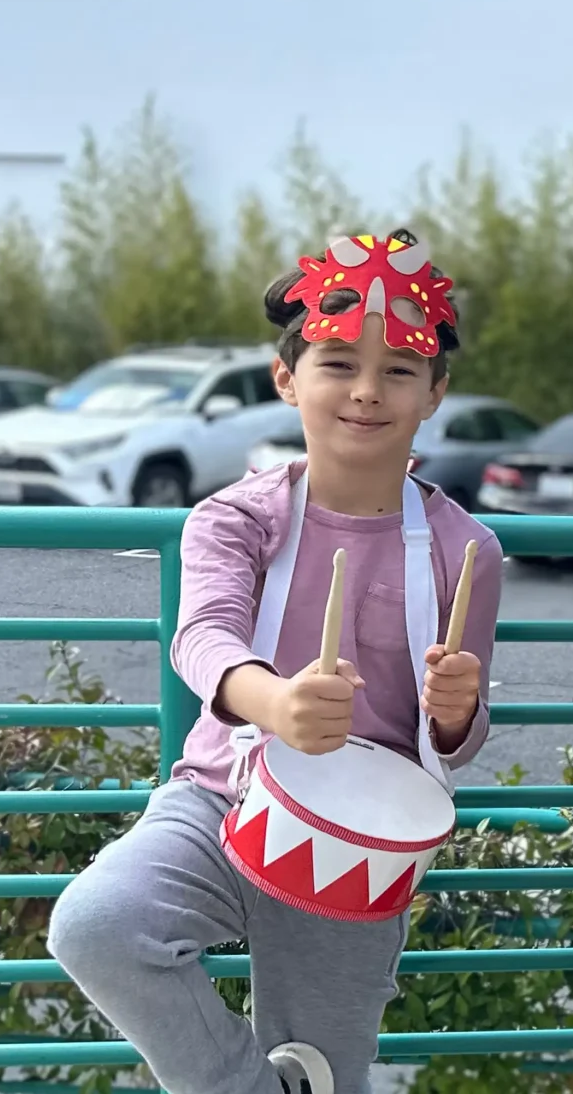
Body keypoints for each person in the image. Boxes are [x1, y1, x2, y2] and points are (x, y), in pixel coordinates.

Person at [50, 232, 502, 1094]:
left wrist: (454, 707)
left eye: (400, 371)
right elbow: (203, 638)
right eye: (337, 363)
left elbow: (460, 736)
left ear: (435, 392)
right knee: (100, 926)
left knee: (334, 1069)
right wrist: (274, 702)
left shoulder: (465, 548)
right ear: (286, 377)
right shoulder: (235, 520)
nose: (367, 391)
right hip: (220, 799)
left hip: (362, 842)